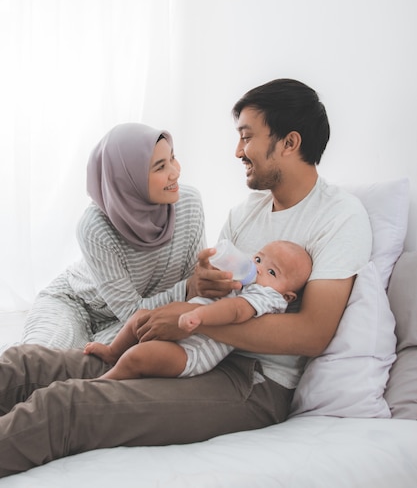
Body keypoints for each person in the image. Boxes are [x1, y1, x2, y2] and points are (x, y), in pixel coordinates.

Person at [0, 78, 372, 478]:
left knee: (67, 407)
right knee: (23, 364)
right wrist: (195, 296)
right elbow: (209, 297)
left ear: (289, 142)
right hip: (197, 351)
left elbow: (311, 334)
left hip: (253, 382)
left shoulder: (339, 216)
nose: (237, 151)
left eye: (247, 137)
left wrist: (191, 321)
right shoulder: (244, 214)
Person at [21, 122, 206, 349]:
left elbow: (194, 285)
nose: (175, 172)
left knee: (91, 366)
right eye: (160, 167)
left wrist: (195, 286)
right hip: (76, 304)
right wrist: (188, 288)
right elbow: (183, 290)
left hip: (133, 319)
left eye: (172, 157)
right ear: (127, 178)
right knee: (39, 359)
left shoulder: (189, 204)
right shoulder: (95, 226)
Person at [83, 240, 312, 380]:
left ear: (287, 296)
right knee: (141, 316)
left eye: (272, 272)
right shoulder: (243, 281)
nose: (259, 269)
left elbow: (235, 311)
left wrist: (198, 317)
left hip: (192, 353)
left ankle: (106, 381)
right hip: (182, 328)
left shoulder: (268, 297)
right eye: (259, 259)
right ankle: (113, 352)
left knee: (140, 356)